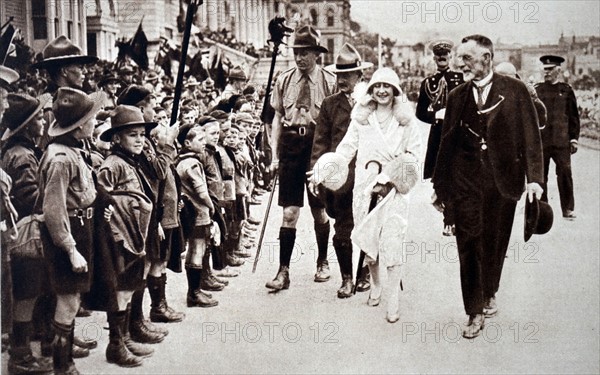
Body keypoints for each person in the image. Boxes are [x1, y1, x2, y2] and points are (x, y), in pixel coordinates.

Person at [432, 35, 544, 339]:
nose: (459, 64)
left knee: (495, 242)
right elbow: (447, 144)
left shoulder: (516, 91)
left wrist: (535, 179)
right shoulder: (456, 96)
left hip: (503, 183)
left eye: (468, 58)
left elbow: (531, 138)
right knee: (468, 244)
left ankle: (490, 288)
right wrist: (440, 187)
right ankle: (474, 310)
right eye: (459, 57)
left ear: (487, 58)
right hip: (465, 182)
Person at [312, 67, 421, 322]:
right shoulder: (361, 118)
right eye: (377, 86)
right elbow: (346, 149)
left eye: (387, 87)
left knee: (393, 242)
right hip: (365, 186)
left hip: (394, 190)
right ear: (370, 90)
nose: (382, 91)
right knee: (368, 240)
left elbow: (415, 156)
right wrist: (322, 170)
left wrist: (390, 178)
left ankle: (393, 298)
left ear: (395, 90)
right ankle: (375, 283)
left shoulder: (405, 120)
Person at [36, 87, 105, 374]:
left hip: (81, 225)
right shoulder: (61, 159)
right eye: (90, 119)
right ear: (77, 128)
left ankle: (65, 358)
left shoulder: (72, 150)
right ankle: (63, 367)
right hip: (67, 231)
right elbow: (53, 209)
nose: (94, 122)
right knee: (67, 299)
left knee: (73, 297)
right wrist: (70, 248)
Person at [266, 25, 336, 291]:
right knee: (289, 212)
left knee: (320, 211)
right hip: (292, 146)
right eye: (296, 52)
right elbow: (275, 119)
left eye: (305, 52)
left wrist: (331, 158)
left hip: (317, 147)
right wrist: (274, 155)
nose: (299, 58)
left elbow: (334, 122)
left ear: (317, 54)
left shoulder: (329, 81)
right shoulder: (283, 80)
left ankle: (322, 261)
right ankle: (283, 271)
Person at [309, 42, 373, 298]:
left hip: (368, 175)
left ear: (360, 76)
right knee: (342, 230)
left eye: (347, 75)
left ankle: (365, 274)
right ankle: (347, 278)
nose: (342, 80)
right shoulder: (329, 104)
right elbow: (321, 142)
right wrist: (318, 172)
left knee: (369, 226)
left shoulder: (371, 102)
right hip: (341, 178)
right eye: (339, 75)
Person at [96, 105, 158, 367]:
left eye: (142, 134)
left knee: (132, 285)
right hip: (120, 238)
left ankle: (126, 336)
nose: (140, 140)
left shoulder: (132, 162)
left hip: (137, 235)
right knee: (121, 290)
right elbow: (102, 199)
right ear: (116, 138)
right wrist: (114, 232)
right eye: (133, 135)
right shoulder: (113, 165)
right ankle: (115, 344)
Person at [0, 93, 53, 374]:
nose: (44, 121)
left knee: (29, 293)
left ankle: (24, 350)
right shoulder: (22, 156)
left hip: (19, 233)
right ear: (28, 125)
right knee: (27, 295)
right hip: (25, 233)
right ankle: (19, 357)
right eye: (39, 118)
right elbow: (28, 198)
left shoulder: (20, 151)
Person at [416, 40, 464, 236]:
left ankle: (451, 219)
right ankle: (449, 215)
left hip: (458, 134)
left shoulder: (460, 80)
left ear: (450, 57)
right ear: (434, 58)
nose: (442, 58)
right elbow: (420, 112)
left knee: (457, 175)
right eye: (438, 56)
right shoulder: (428, 83)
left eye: (445, 55)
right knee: (441, 177)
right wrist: (434, 115)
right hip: (438, 135)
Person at [535, 55, 580, 220]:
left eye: (550, 69)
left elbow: (573, 116)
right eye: (545, 69)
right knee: (540, 176)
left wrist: (574, 138)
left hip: (561, 141)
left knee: (565, 173)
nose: (546, 73)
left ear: (558, 71)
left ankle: (568, 209)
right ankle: (542, 211)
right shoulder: (537, 90)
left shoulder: (566, 90)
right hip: (542, 141)